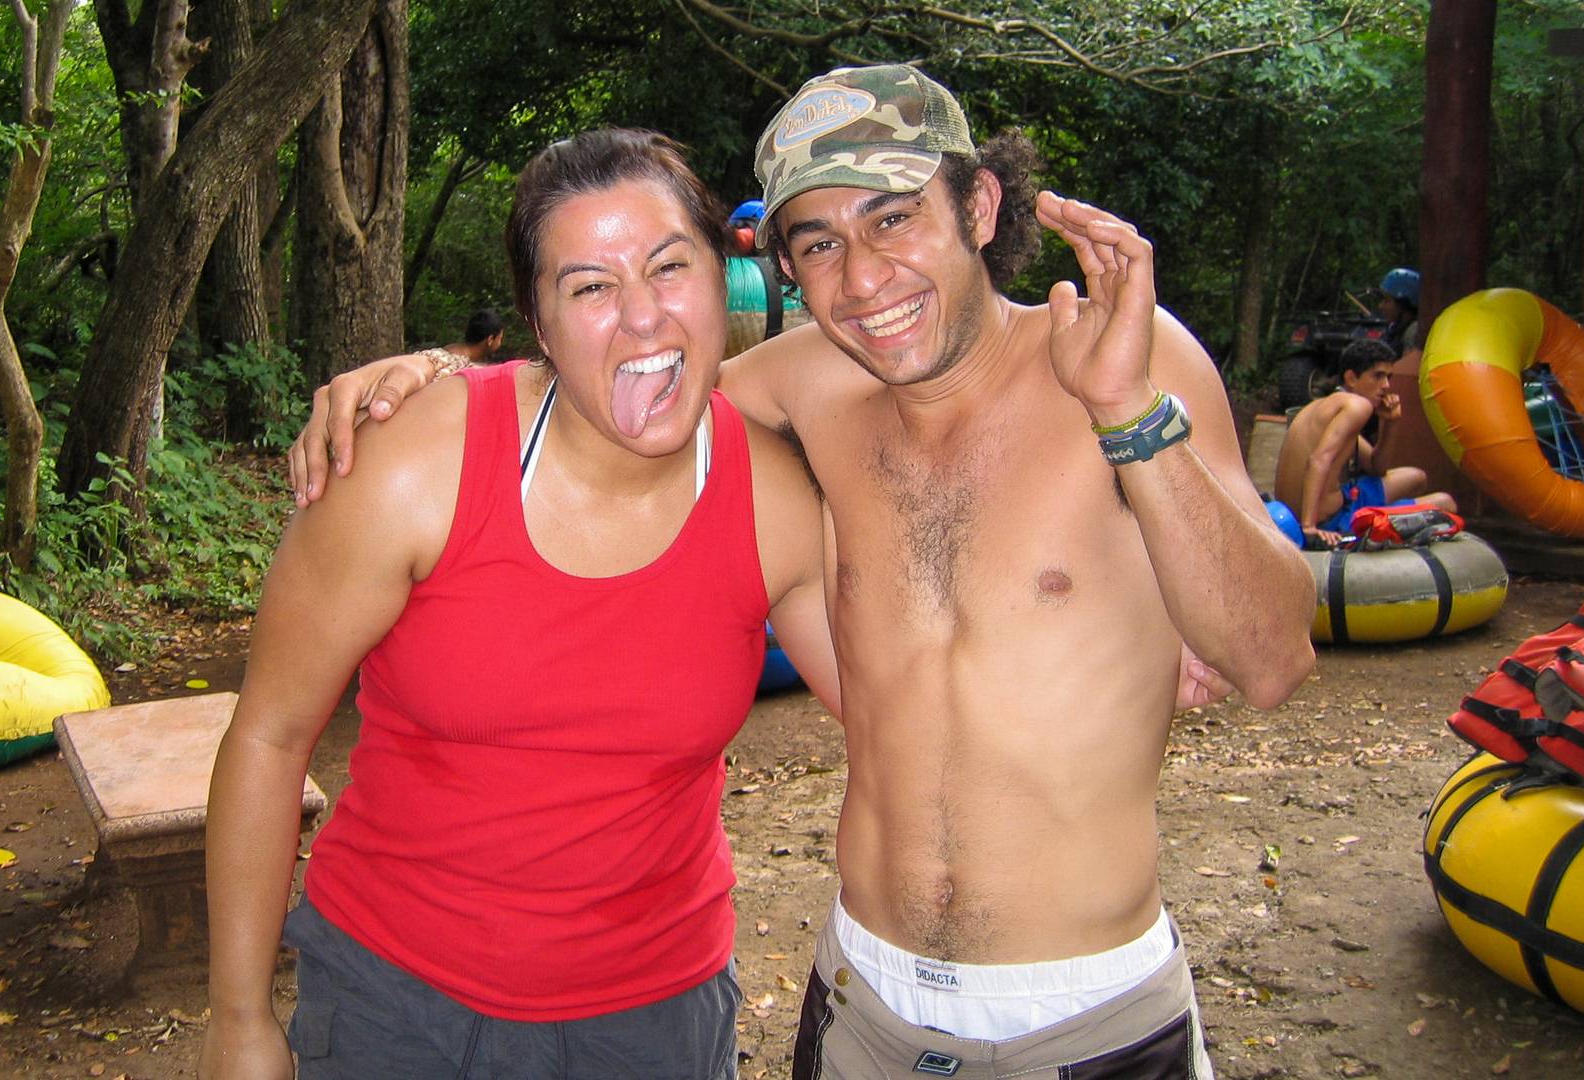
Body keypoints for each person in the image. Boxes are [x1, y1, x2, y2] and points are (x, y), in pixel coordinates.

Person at [293, 65, 1315, 1078]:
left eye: (895, 219)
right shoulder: (804, 387)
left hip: (1088, 1009)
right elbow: (617, 382)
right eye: (819, 243)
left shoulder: (1123, 362)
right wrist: (426, 378)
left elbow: (1269, 660)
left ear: (981, 204)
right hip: (865, 1001)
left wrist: (1132, 414)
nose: (863, 278)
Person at [198, 129, 841, 1080]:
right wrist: (238, 1018)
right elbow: (268, 735)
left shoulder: (778, 500)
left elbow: (899, 721)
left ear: (727, 279)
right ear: (537, 325)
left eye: (670, 266)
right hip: (401, 1006)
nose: (643, 319)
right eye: (589, 287)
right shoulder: (413, 466)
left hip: (657, 1020)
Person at [1274, 338, 1459, 548]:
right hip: (1331, 520)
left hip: (1340, 500)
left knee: (1417, 478)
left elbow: (1376, 467)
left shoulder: (1323, 405)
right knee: (1446, 503)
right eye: (1377, 376)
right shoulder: (1358, 406)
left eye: (1389, 377)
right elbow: (1318, 459)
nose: (1386, 386)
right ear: (1351, 378)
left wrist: (1390, 423)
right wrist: (1309, 527)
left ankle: (1393, 511)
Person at [416, 306, 507, 378]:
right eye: (500, 338)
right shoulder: (463, 367)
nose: (500, 343)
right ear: (490, 340)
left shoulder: (448, 350)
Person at [1376, 267, 1422, 364]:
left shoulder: (1413, 332)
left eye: (1386, 300)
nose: (1380, 306)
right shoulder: (1394, 328)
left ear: (1403, 304)